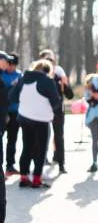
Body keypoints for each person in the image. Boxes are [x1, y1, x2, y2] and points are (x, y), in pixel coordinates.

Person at [10, 59, 60, 189]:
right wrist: (56, 115)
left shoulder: (22, 79)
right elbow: (56, 102)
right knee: (41, 150)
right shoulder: (48, 81)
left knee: (27, 147)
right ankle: (37, 179)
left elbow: (12, 97)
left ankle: (24, 177)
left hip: (24, 118)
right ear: (47, 71)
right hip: (41, 120)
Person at [38, 49, 72, 173]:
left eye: (52, 61)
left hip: (58, 111)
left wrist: (65, 85)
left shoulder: (59, 76)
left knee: (59, 137)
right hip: (43, 111)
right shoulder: (41, 79)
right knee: (42, 136)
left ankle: (61, 163)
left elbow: (70, 95)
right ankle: (40, 163)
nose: (50, 64)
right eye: (47, 61)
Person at [3, 53, 22, 177]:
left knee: (12, 139)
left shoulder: (20, 75)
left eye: (12, 65)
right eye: (8, 64)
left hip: (15, 111)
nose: (10, 67)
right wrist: (11, 86)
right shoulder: (1, 74)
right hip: (3, 110)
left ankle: (10, 165)